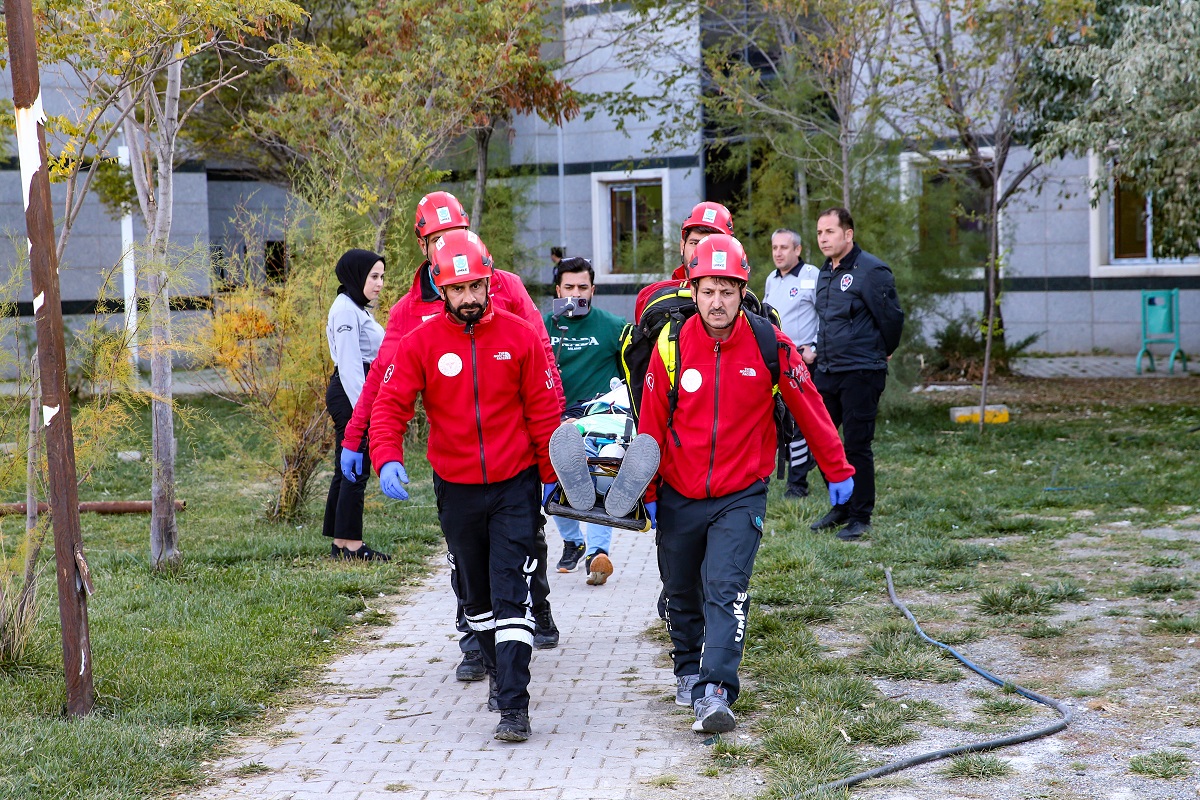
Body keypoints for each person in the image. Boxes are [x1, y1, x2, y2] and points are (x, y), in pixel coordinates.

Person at [337, 191, 562, 685]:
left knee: (523, 552)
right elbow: (384, 385)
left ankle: (533, 611)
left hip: (515, 459)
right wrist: (360, 439)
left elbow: (541, 362)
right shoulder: (410, 311)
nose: (446, 244)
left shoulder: (503, 289)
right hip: (457, 468)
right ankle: (475, 643)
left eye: (451, 233)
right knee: (468, 564)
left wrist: (554, 460)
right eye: (435, 238)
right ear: (424, 248)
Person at [639, 234, 854, 734]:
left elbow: (811, 407)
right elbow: (650, 425)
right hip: (678, 490)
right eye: (708, 290)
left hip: (741, 492)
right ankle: (688, 669)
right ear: (693, 289)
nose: (718, 302)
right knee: (681, 589)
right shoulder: (671, 345)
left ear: (742, 291)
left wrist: (837, 468)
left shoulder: (769, 344)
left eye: (727, 291)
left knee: (726, 586)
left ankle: (715, 689)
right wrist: (648, 493)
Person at [809, 207, 905, 541]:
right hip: (828, 369)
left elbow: (892, 319)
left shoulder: (872, 270)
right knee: (822, 440)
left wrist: (883, 350)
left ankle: (860, 516)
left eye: (830, 231)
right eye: (820, 232)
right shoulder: (825, 272)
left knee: (856, 445)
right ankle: (841, 506)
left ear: (848, 234)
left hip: (861, 371)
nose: (823, 238)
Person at [542, 257, 627, 584]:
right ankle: (572, 541)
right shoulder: (542, 325)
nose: (575, 294)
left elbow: (629, 377)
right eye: (569, 287)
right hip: (551, 418)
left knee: (597, 477)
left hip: (598, 419)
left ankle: (597, 553)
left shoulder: (613, 326)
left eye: (582, 288)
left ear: (593, 290)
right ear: (558, 289)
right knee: (551, 483)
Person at [323, 249, 388, 560]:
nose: (379, 283)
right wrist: (366, 413)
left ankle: (340, 543)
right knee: (355, 469)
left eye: (381, 277)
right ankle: (352, 546)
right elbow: (350, 366)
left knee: (346, 469)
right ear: (356, 275)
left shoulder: (355, 308)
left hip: (357, 390)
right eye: (373, 276)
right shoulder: (346, 310)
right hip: (353, 392)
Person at [763, 228, 821, 499]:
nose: (778, 252)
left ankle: (797, 484)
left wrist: (816, 346)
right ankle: (800, 464)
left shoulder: (811, 275)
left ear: (797, 250)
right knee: (781, 420)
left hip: (803, 361)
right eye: (775, 247)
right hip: (776, 362)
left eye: (784, 247)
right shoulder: (771, 280)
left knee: (800, 422)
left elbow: (828, 314)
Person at [633, 201, 734, 323]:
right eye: (695, 243)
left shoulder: (741, 298)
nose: (700, 252)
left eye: (711, 244)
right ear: (682, 247)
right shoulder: (649, 296)